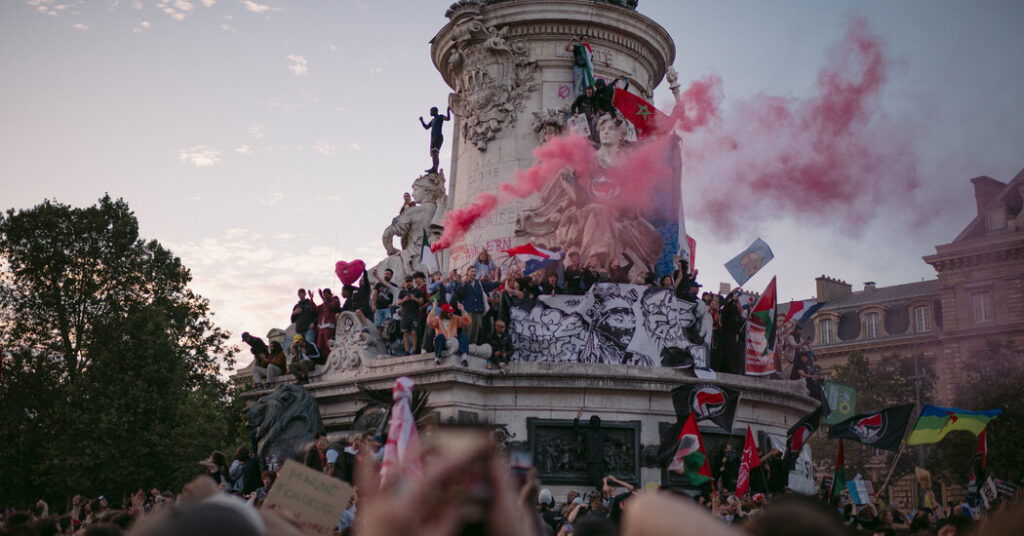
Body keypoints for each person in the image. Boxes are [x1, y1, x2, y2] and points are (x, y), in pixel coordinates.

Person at [454, 266, 500, 344]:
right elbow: (458, 294)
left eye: (475, 271)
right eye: (472, 271)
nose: (474, 273)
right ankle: (464, 348)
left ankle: (472, 347)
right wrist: (462, 285)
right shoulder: (463, 283)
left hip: (478, 311)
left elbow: (492, 285)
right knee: (468, 331)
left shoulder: (479, 283)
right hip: (468, 311)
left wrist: (499, 278)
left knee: (475, 332)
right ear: (467, 272)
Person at [397, 276, 424, 355]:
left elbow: (421, 302)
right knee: (405, 333)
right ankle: (407, 351)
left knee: (414, 332)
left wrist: (414, 298)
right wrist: (404, 300)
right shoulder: (402, 292)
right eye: (407, 282)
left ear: (412, 282)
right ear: (404, 283)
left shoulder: (417, 291)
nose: (408, 283)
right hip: (405, 315)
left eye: (409, 281)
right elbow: (398, 302)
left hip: (415, 314)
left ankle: (415, 350)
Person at [419, 106, 451, 174]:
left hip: (437, 136)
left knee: (435, 153)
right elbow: (426, 127)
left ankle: (435, 168)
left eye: (431, 111)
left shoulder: (440, 117)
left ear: (435, 111)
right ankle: (434, 168)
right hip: (433, 137)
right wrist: (422, 121)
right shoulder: (432, 120)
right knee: (434, 153)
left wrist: (448, 110)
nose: (430, 113)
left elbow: (448, 118)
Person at [310, 288, 341, 355]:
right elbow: (314, 309)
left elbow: (331, 306)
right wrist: (311, 299)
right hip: (321, 328)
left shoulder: (335, 301)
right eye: (324, 295)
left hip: (329, 327)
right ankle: (322, 359)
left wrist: (322, 298)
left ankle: (329, 358)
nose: (325, 297)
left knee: (328, 345)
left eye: (326, 295)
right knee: (320, 346)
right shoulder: (323, 305)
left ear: (330, 295)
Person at [371, 268, 399, 338]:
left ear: (391, 276)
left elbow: (396, 296)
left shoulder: (394, 286)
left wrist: (392, 304)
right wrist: (373, 305)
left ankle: (387, 340)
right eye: (385, 274)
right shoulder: (378, 285)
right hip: (379, 308)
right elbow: (374, 295)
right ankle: (380, 340)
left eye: (388, 274)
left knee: (388, 324)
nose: (386, 275)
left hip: (388, 308)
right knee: (378, 325)